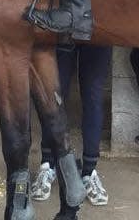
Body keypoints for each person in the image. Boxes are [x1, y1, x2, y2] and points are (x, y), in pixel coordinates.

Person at [30, 43, 112, 206]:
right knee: (54, 97)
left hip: (98, 29)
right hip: (62, 26)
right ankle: (48, 164)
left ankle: (89, 171)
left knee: (93, 96)